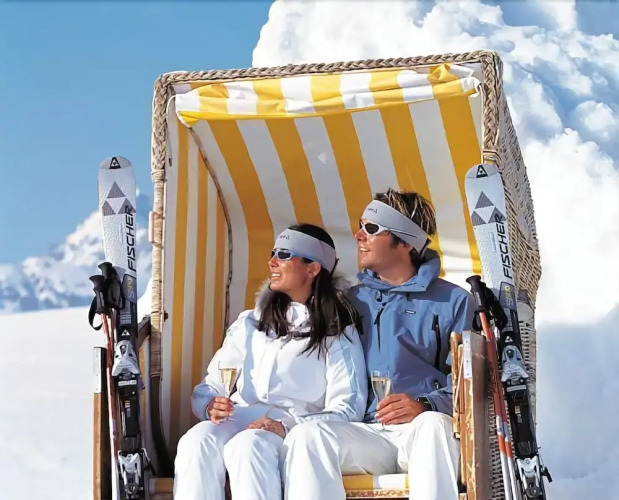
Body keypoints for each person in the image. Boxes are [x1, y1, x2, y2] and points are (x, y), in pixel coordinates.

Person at [283, 189, 474, 500]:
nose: (359, 235)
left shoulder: (453, 301)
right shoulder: (349, 301)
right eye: (361, 226)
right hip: (367, 432)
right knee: (309, 436)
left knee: (434, 426)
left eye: (372, 228)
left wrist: (425, 404)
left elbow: (470, 384)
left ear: (406, 242)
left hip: (421, 429)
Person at [174, 223, 367, 500]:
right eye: (273, 253)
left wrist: (287, 426)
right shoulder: (251, 322)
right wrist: (210, 404)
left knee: (249, 446)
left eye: (284, 255)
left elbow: (348, 407)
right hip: (238, 417)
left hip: (291, 430)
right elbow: (211, 385)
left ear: (312, 269)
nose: (272, 262)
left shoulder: (336, 330)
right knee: (196, 440)